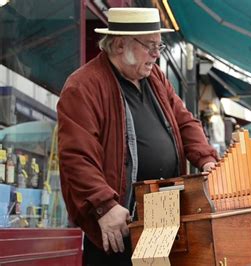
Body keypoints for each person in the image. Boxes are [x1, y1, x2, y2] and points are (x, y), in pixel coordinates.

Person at [57, 8, 218, 265]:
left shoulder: (154, 77)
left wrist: (207, 159)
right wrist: (104, 206)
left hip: (161, 211)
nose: (156, 53)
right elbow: (76, 157)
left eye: (159, 45)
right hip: (119, 219)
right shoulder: (83, 86)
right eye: (150, 45)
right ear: (120, 45)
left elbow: (185, 121)